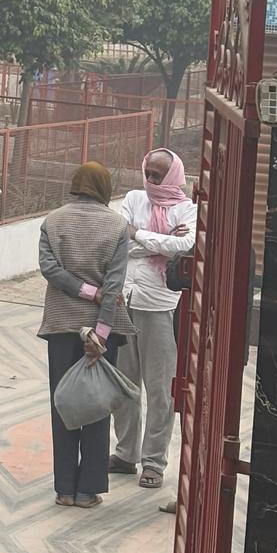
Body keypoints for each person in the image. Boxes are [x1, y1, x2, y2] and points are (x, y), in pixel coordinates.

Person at [37, 161, 131, 509]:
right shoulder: (118, 226)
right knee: (96, 406)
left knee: (63, 402)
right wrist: (102, 334)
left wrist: (82, 290)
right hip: (102, 330)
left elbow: (49, 270)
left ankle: (63, 488)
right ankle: (88, 489)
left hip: (61, 325)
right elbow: (115, 285)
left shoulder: (53, 221)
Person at [110, 148, 196, 490]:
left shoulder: (188, 208)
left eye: (158, 175)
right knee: (123, 383)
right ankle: (125, 454)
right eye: (148, 172)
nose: (151, 180)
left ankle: (153, 463)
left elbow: (185, 246)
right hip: (125, 298)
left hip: (160, 305)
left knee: (160, 389)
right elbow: (119, 240)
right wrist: (160, 243)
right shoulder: (133, 198)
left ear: (173, 175)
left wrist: (138, 235)